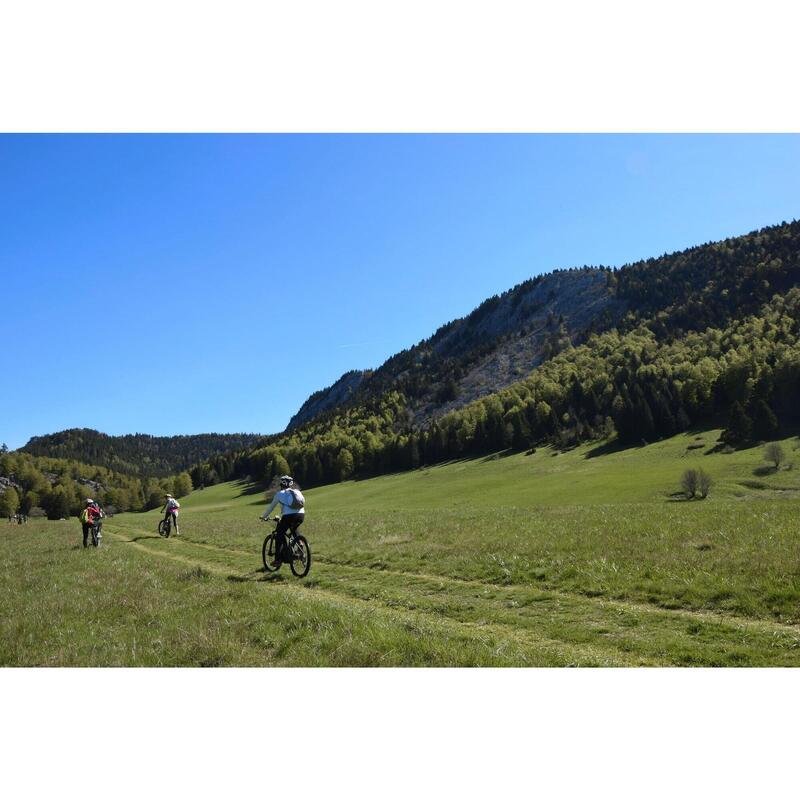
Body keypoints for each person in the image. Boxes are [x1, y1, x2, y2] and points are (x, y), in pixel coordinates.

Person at [261, 475, 305, 567]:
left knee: (279, 535)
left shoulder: (279, 494)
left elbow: (271, 508)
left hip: (288, 516)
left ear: (281, 484)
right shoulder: (297, 491)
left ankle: (278, 560)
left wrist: (264, 516)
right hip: (301, 515)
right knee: (294, 529)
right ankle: (300, 543)